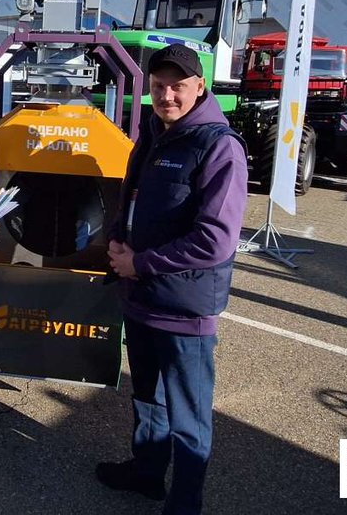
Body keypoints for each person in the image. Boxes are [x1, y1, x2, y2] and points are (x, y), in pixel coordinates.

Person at [95, 44, 248, 515]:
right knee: (147, 398)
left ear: (200, 86)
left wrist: (139, 263)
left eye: (177, 86)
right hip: (141, 299)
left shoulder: (219, 147)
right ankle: (147, 473)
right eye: (159, 86)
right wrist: (118, 239)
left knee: (189, 417)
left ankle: (184, 504)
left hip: (184, 311)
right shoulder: (152, 135)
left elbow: (216, 240)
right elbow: (130, 199)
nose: (167, 96)